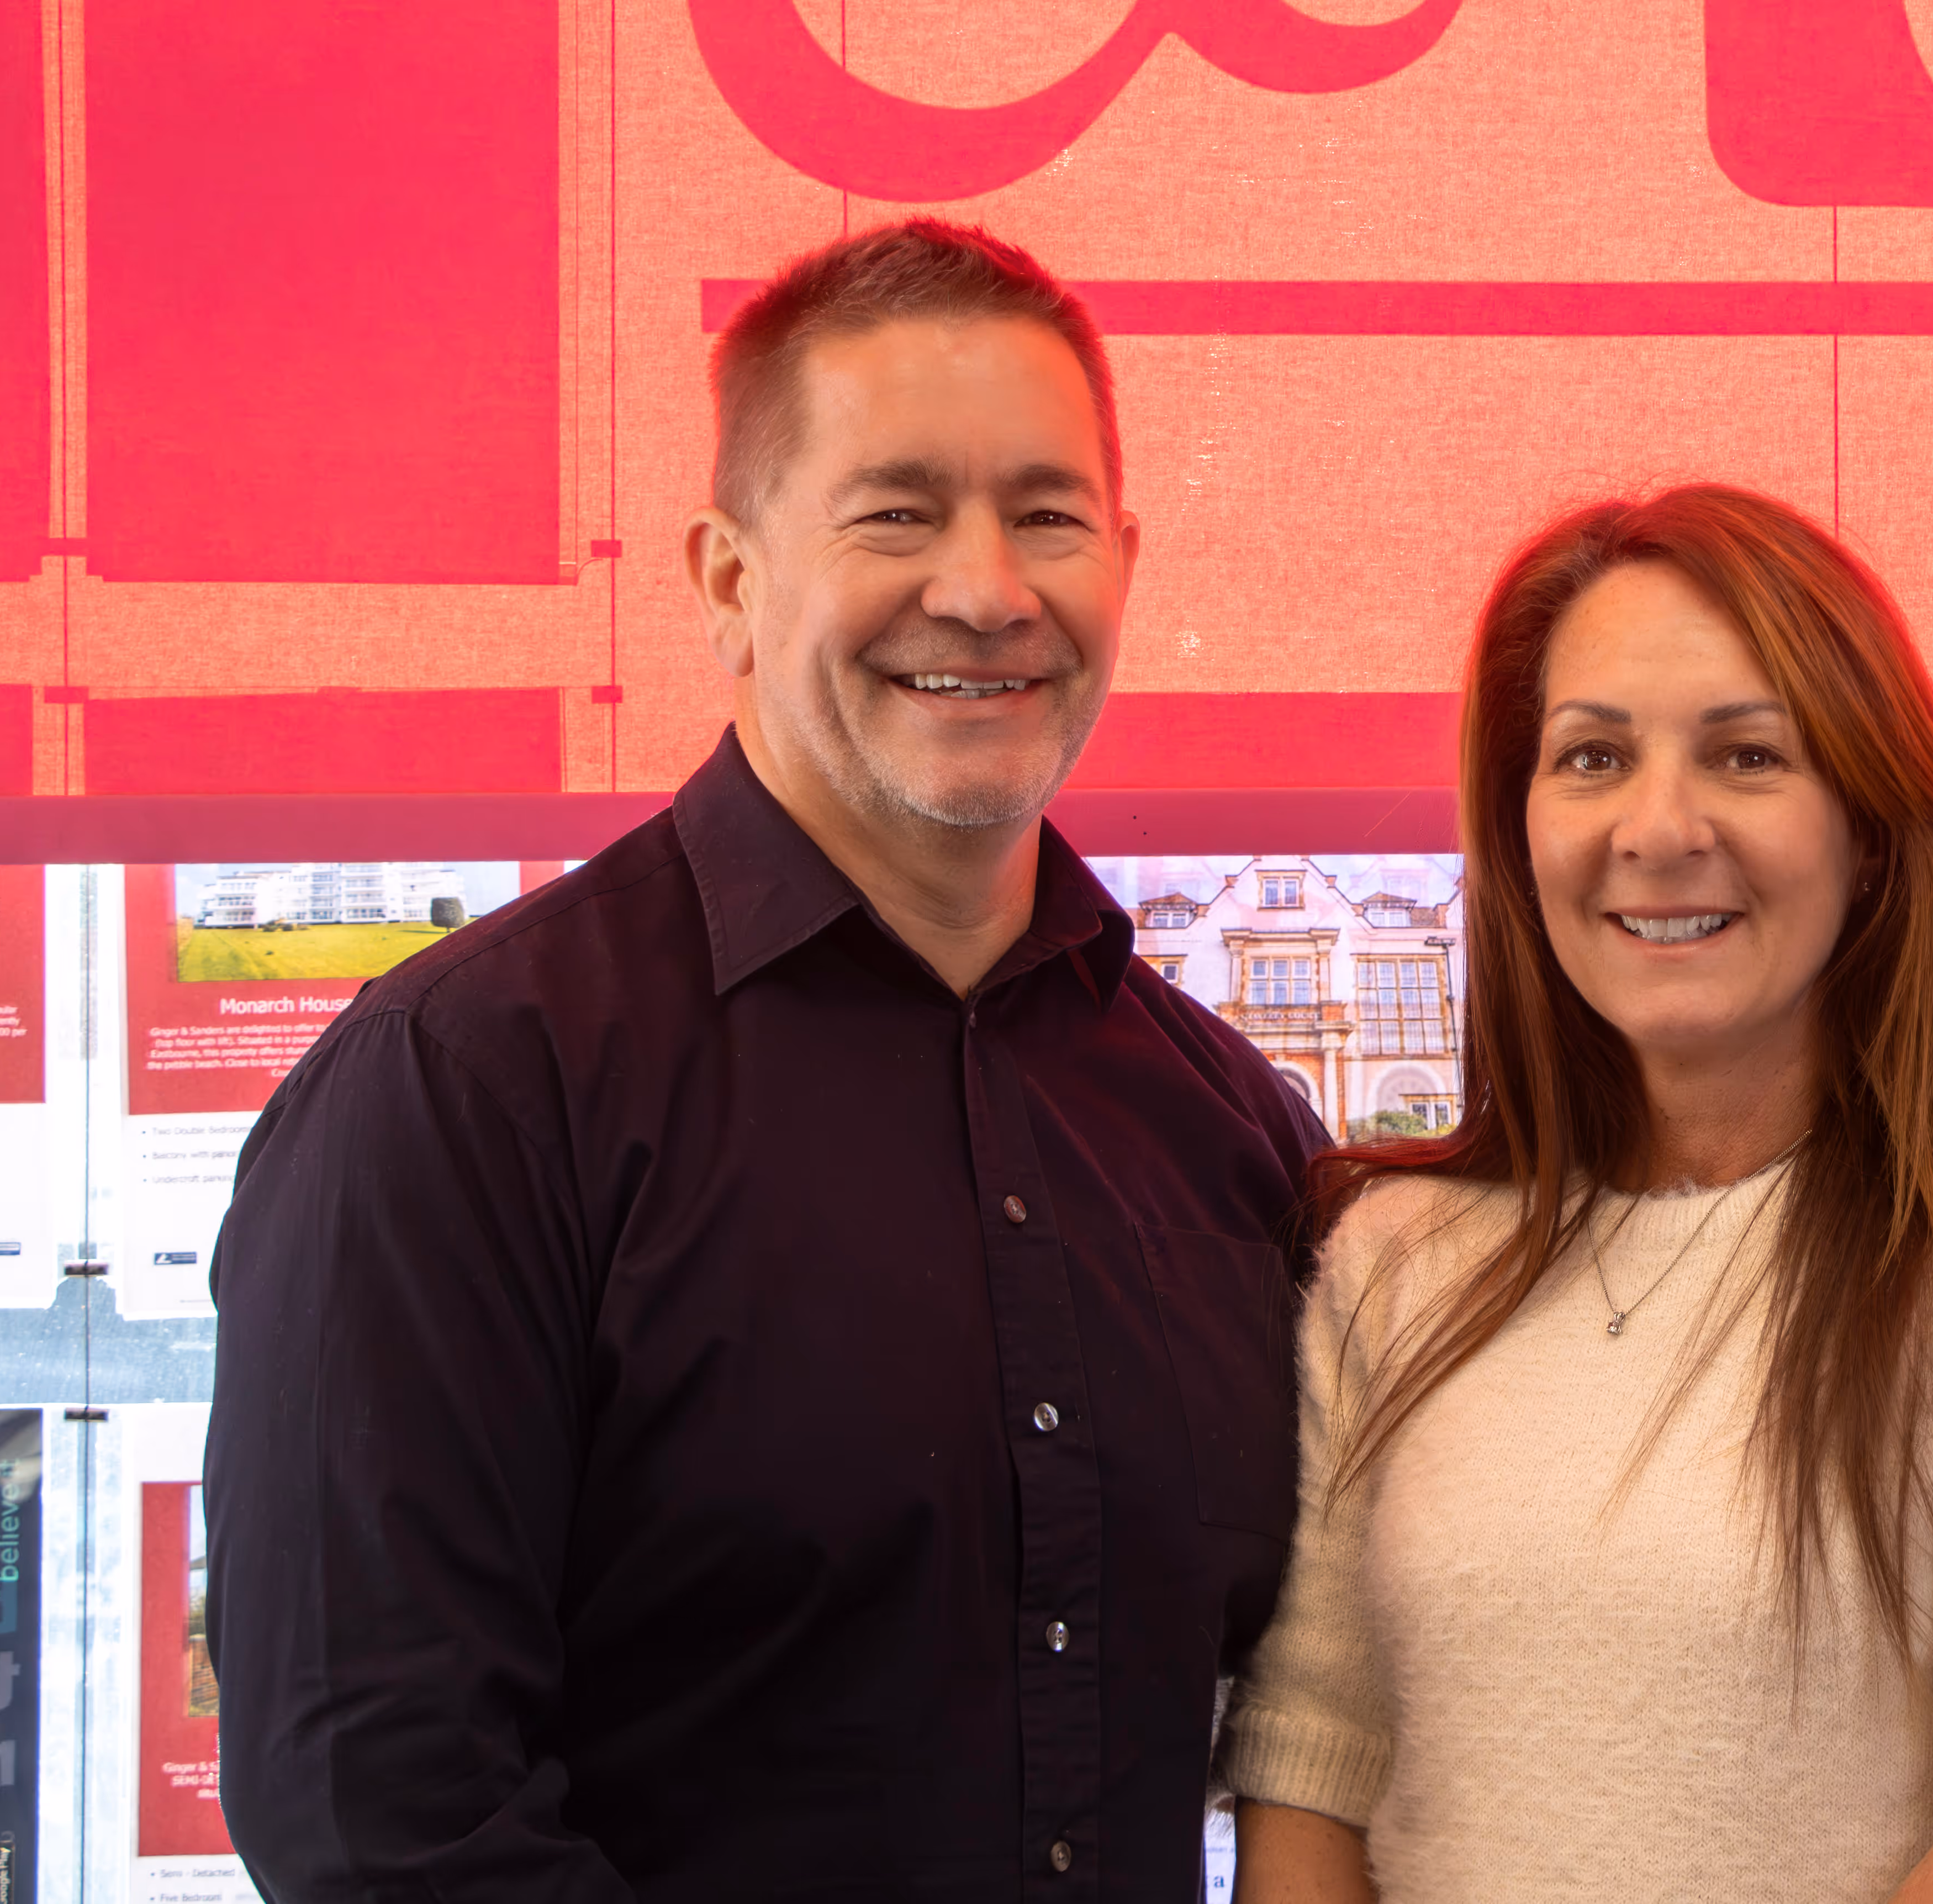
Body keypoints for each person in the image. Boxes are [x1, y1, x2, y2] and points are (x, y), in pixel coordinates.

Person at [204, 219, 1326, 1900]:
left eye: (1047, 514)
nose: (986, 587)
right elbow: (385, 1816)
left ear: (1124, 561)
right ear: (729, 579)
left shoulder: (1232, 1134)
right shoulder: (464, 1090)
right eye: (896, 511)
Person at [1218, 484, 1933, 1903]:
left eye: (1748, 755)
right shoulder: (1392, 1260)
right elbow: (1312, 1769)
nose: (1659, 828)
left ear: (1870, 822)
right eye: (1591, 757)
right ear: (1516, 826)